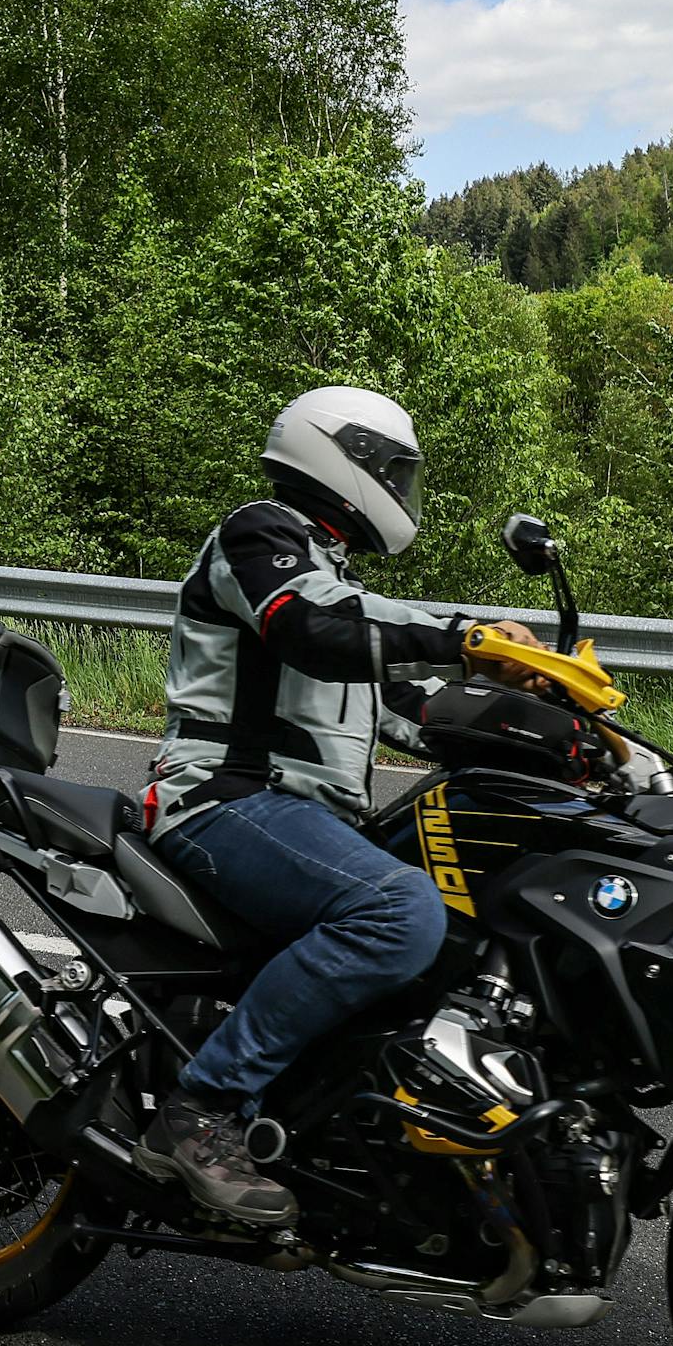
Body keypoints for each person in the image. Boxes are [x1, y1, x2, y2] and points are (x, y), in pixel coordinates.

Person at [134, 385, 536, 1227]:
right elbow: (311, 629)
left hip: (301, 821)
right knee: (399, 909)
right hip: (223, 800)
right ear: (343, 460)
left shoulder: (337, 588)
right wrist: (468, 634)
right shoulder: (261, 535)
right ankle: (199, 1109)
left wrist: (553, 723)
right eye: (394, 471)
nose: (402, 489)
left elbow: (421, 708)